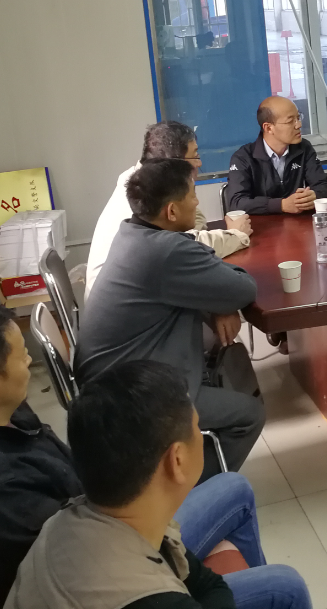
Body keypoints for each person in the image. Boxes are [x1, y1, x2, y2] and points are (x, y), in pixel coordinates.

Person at [0, 303, 287, 609]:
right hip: (95, 563)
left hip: (103, 528)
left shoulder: (0, 418)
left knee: (234, 487)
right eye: (21, 355)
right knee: (283, 586)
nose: (29, 361)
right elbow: (79, 563)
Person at [5, 360, 312, 609]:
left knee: (235, 488)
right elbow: (205, 588)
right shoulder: (153, 599)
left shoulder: (71, 519)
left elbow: (207, 583)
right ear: (176, 460)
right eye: (196, 428)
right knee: (287, 587)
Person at [76, 158, 264, 479]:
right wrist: (220, 296)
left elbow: (208, 280)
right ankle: (183, 491)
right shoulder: (165, 252)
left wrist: (217, 298)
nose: (197, 202)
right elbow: (243, 288)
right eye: (192, 195)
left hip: (115, 378)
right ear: (172, 211)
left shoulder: (132, 232)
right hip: (129, 397)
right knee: (249, 416)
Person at [86, 121, 253, 299]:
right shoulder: (143, 197)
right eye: (194, 157)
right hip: (127, 299)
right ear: (172, 164)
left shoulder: (144, 182)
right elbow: (186, 250)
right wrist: (236, 235)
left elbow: (190, 229)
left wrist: (191, 237)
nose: (199, 163)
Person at [226, 96, 327, 215]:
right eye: (290, 121)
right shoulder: (243, 158)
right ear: (268, 128)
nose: (298, 125)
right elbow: (236, 203)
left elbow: (325, 186)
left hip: (298, 222)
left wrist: (314, 195)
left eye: (298, 118)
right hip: (262, 224)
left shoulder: (304, 148)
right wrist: (281, 205)